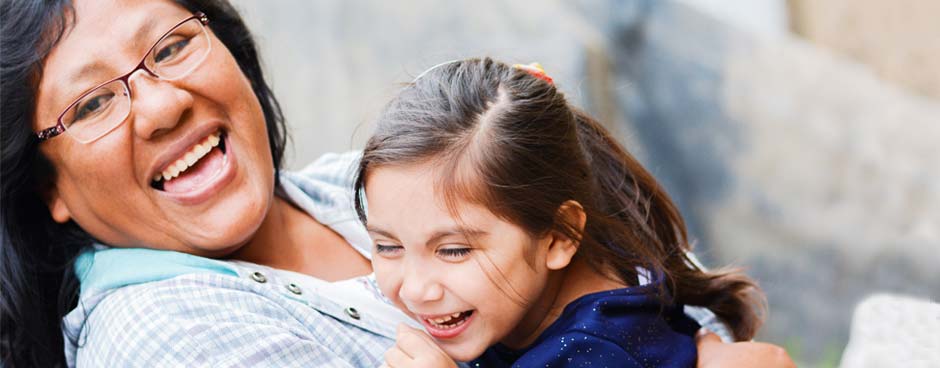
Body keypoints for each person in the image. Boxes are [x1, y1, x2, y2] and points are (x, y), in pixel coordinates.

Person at [0, 0, 795, 367]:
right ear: (49, 189)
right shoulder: (166, 339)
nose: (164, 103)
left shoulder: (357, 185)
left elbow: (664, 305)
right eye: (94, 102)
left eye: (171, 47)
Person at [354, 59, 763, 367]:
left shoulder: (596, 352)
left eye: (455, 251)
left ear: (560, 236)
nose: (414, 289)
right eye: (387, 246)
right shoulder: (590, 259)